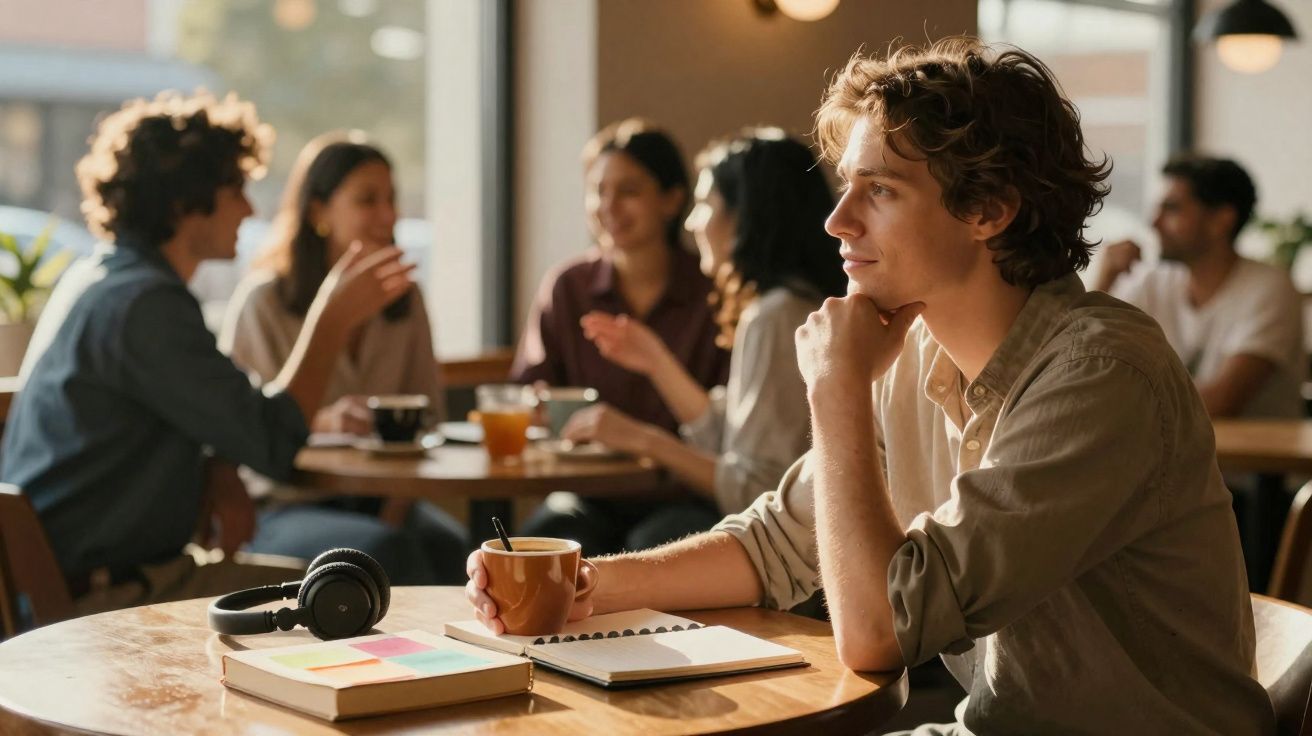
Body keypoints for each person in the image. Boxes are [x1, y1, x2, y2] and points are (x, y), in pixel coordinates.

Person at [468, 39, 1273, 734]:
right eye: (845, 186)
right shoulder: (914, 350)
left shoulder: (1100, 373)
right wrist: (585, 588)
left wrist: (837, 390)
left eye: (880, 191)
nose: (837, 220)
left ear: (989, 208)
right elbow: (777, 542)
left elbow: (878, 633)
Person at [0, 92, 420, 615]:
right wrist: (331, 321)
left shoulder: (105, 279)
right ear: (185, 202)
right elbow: (274, 439)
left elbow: (204, 414)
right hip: (102, 600)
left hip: (103, 578)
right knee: (355, 594)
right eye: (235, 188)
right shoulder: (146, 305)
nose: (249, 208)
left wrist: (216, 465)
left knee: (355, 584)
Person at [219, 132, 468, 584]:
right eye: (367, 200)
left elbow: (428, 417)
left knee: (462, 553)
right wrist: (321, 419)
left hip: (386, 500)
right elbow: (243, 431)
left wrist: (396, 503)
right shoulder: (264, 303)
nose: (388, 215)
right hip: (286, 506)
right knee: (382, 550)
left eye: (391, 199)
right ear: (318, 212)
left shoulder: (405, 301)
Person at [561, 128, 845, 517]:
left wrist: (644, 440)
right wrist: (655, 360)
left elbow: (758, 490)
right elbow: (731, 443)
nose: (693, 223)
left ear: (745, 217)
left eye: (704, 205)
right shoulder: (782, 306)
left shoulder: (777, 316)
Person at [512, 119, 731, 554]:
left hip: (684, 494)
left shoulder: (715, 293)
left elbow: (732, 431)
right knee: (538, 542)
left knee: (651, 545)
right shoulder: (568, 287)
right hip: (588, 494)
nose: (608, 206)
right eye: (598, 191)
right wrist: (535, 405)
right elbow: (526, 390)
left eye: (628, 191)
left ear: (671, 201)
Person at [1097, 155, 1303, 418]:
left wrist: (1116, 404)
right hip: (1173, 455)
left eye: (1171, 209)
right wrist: (1105, 279)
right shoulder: (1154, 282)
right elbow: (1083, 360)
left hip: (1251, 459)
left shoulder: (1270, 288)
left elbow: (1220, 403)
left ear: (1222, 220)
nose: (1154, 223)